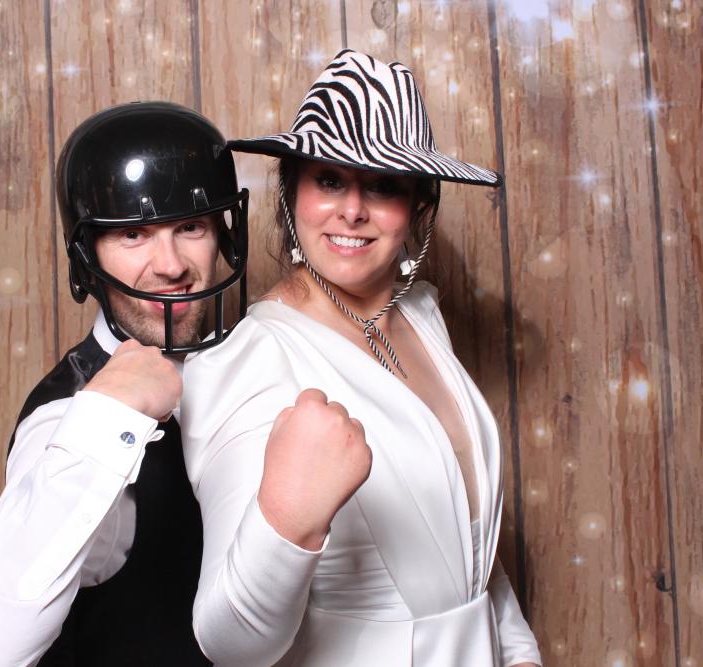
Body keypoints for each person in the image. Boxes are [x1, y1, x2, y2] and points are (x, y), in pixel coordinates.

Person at [180, 50, 542, 666]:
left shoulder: (420, 315)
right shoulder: (251, 361)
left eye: (382, 184)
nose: (352, 210)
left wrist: (518, 651)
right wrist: (287, 519)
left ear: (418, 206)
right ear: (292, 193)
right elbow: (229, 641)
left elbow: (467, 545)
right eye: (329, 180)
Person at [0, 101, 248, 666]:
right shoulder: (62, 417)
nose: (171, 265)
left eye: (190, 227)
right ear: (88, 255)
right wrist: (109, 414)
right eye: (133, 234)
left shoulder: (247, 363)